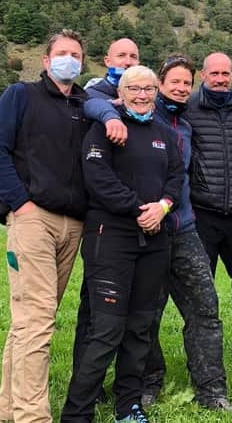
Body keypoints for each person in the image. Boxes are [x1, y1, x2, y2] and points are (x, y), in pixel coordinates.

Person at [83, 55, 232, 411]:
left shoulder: (191, 117)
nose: (180, 88)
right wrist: (106, 113)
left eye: (187, 83)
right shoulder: (129, 112)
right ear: (158, 85)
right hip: (136, 231)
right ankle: (147, 382)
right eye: (173, 82)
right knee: (144, 313)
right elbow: (92, 99)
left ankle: (212, 389)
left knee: (205, 309)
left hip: (182, 227)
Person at [60, 65, 184, 423]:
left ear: (157, 91)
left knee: (140, 327)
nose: (142, 96)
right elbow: (98, 179)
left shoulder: (164, 134)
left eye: (148, 89)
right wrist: (136, 209)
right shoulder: (104, 131)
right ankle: (77, 412)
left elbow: (176, 177)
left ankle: (128, 405)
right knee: (107, 329)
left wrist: (162, 207)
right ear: (122, 93)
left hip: (156, 239)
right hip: (111, 238)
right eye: (134, 89)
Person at [0, 29, 90, 423]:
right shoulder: (20, 96)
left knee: (29, 321)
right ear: (46, 61)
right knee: (39, 319)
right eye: (61, 53)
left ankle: (6, 412)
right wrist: (22, 205)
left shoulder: (85, 105)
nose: (69, 59)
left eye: (75, 54)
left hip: (73, 224)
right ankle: (33, 416)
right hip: (33, 219)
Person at [184, 52, 232, 379]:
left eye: (225, 73)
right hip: (202, 215)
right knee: (201, 293)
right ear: (203, 75)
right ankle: (204, 362)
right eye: (214, 73)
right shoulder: (188, 110)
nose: (220, 79)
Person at [71, 37, 138, 402]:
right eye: (121, 56)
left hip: (133, 217)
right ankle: (87, 383)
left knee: (123, 309)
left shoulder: (142, 94)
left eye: (133, 56)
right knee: (94, 307)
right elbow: (92, 102)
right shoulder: (97, 91)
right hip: (102, 215)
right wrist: (111, 113)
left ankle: (128, 381)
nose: (127, 61)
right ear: (106, 59)